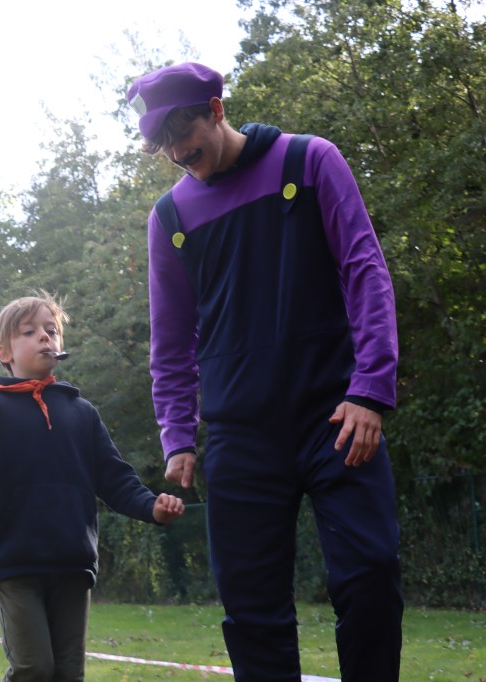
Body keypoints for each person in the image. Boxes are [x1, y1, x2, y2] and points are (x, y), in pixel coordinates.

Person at [125, 62, 403, 681]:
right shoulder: (170, 219)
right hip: (240, 435)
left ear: (216, 110)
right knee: (251, 609)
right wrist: (178, 435)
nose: (177, 152)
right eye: (163, 143)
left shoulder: (308, 161)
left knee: (371, 576)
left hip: (337, 417)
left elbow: (365, 270)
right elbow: (171, 339)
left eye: (183, 132)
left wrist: (370, 390)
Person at [0, 293, 185, 681]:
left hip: (73, 563)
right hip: (16, 563)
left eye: (52, 330)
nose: (45, 337)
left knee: (68, 673)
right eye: (29, 332)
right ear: (4, 352)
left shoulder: (82, 413)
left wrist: (152, 507)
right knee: (34, 668)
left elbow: (115, 479)